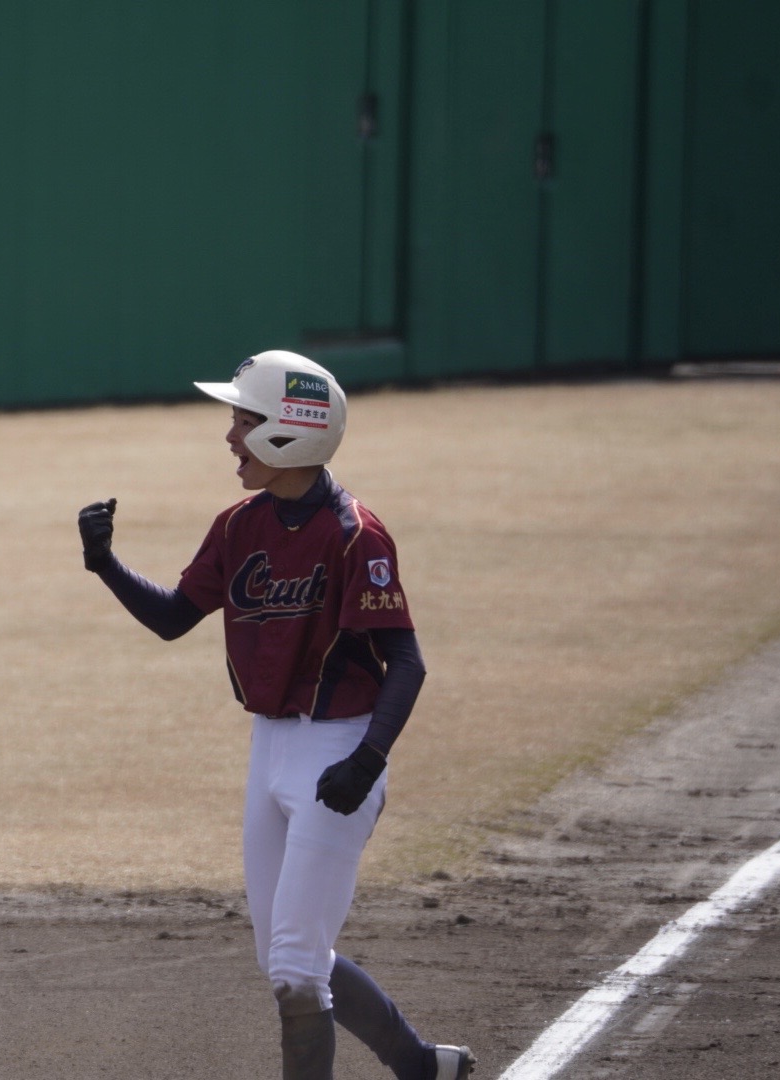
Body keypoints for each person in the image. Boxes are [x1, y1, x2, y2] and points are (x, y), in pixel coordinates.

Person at [78, 350, 475, 1080]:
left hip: (340, 749)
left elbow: (407, 662)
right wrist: (106, 563)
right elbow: (173, 617)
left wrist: (366, 761)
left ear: (289, 431)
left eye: (243, 420)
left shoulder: (356, 534)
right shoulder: (238, 526)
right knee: (286, 958)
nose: (230, 436)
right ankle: (421, 1066)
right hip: (269, 749)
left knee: (295, 968)